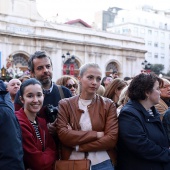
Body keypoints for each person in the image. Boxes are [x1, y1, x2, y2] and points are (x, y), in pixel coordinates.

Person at [56, 63, 118, 170]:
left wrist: (78, 146)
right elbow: (64, 135)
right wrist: (97, 134)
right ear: (79, 78)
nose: (94, 82)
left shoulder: (108, 104)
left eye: (98, 79)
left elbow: (111, 139)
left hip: (102, 162)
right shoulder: (65, 104)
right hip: (73, 162)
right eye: (90, 77)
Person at [117, 73, 170, 170]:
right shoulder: (129, 114)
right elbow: (140, 146)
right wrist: (167, 153)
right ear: (147, 92)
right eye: (157, 89)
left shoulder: (153, 111)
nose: (160, 92)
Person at [14, 51, 72, 126]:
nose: (45, 70)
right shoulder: (23, 93)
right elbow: (17, 122)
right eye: (40, 68)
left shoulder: (65, 92)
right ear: (32, 73)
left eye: (48, 66)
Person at [15, 78, 57, 170]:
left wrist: (46, 155)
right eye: (30, 96)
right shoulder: (18, 122)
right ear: (22, 99)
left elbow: (53, 148)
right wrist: (49, 154)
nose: (35, 100)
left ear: (43, 97)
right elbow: (38, 163)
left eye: (39, 95)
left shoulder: (41, 121)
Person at [0, 80, 24, 169]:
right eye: (13, 84)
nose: (16, 86)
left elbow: (11, 156)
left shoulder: (3, 111)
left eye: (18, 84)